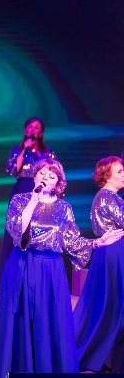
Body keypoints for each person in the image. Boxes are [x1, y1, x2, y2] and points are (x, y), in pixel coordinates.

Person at [0, 159, 123, 378]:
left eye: (52, 176)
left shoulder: (63, 208)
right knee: (20, 321)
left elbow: (72, 241)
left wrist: (98, 242)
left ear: (58, 183)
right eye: (42, 173)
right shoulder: (20, 200)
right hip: (23, 265)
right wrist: (34, 199)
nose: (46, 178)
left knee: (48, 322)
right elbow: (18, 231)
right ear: (35, 176)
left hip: (51, 270)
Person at [74, 156, 124, 373]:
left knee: (112, 306)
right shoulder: (106, 197)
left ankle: (108, 359)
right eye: (120, 171)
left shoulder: (110, 197)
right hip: (115, 252)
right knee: (112, 306)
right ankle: (98, 357)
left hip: (113, 252)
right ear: (107, 175)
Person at [0, 117, 56, 281]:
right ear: (25, 130)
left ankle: (36, 273)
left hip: (43, 192)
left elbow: (55, 174)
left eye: (36, 127)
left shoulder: (48, 153)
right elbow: (13, 170)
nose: (33, 130)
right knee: (18, 228)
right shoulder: (17, 150)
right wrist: (24, 149)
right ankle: (13, 275)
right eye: (30, 127)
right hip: (23, 188)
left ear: (41, 132)